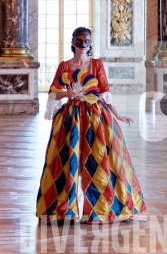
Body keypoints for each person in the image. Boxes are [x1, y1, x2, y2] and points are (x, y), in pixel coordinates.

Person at [36, 26, 146, 223]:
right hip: (71, 117)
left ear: (90, 43)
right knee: (66, 162)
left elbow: (104, 93)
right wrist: (66, 94)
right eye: (79, 41)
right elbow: (53, 92)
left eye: (87, 41)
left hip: (96, 117)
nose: (83, 45)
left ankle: (102, 209)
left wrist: (118, 115)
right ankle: (63, 210)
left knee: (100, 161)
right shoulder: (64, 66)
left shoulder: (96, 65)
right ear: (72, 43)